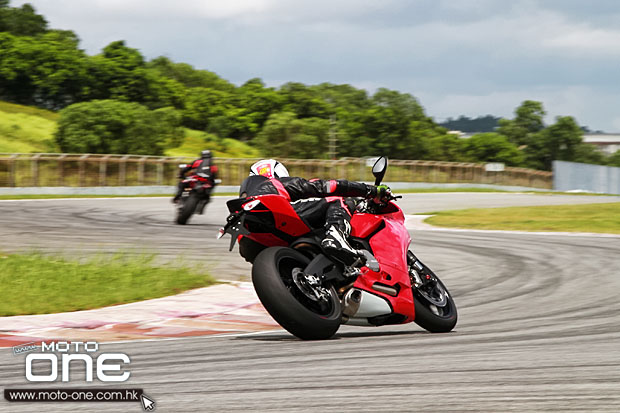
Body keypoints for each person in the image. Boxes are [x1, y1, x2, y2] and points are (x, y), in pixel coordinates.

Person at [243, 159, 390, 266]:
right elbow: (326, 186)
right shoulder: (273, 185)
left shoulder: (247, 203)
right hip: (272, 223)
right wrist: (368, 190)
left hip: (252, 243)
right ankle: (336, 237)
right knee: (336, 199)